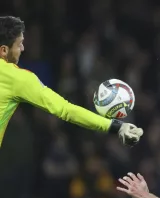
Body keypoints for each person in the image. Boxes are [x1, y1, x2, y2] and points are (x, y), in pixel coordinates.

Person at [0, 16, 143, 148]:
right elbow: (66, 110)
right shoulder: (18, 78)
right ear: (4, 50)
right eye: (19, 45)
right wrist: (116, 126)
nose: (23, 48)